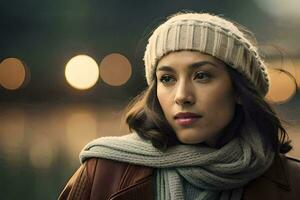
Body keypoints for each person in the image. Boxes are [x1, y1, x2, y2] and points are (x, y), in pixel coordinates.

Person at [58, 12, 300, 200]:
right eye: (167, 79)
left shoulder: (291, 183)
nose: (182, 96)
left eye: (202, 76)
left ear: (238, 90)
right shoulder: (102, 173)